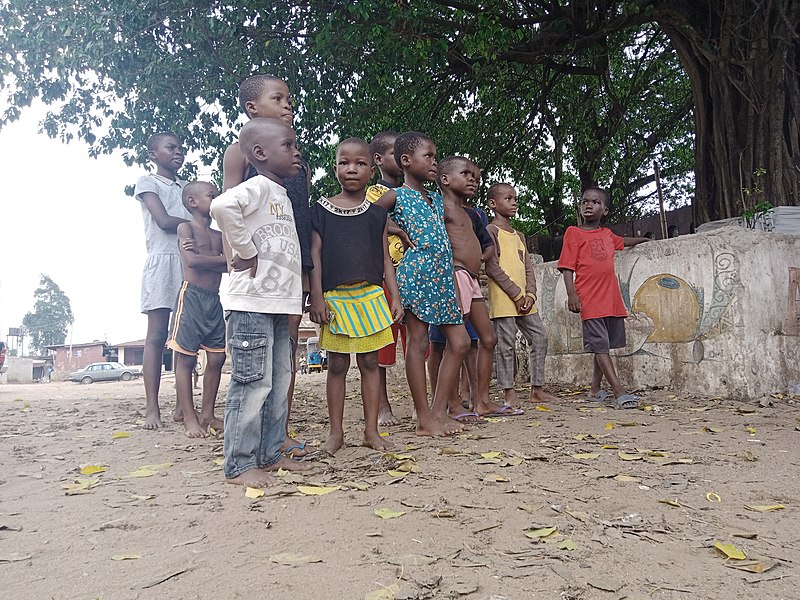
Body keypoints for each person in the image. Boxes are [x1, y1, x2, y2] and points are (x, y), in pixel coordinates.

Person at [210, 117, 311, 489]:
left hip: (277, 306)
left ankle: (270, 455)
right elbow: (221, 207)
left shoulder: (281, 193)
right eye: (288, 145)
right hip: (251, 303)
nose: (296, 151)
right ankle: (238, 464)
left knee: (279, 379)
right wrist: (246, 251)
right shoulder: (255, 187)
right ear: (259, 153)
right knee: (252, 383)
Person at [309, 138, 404, 454]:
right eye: (344, 162)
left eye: (360, 163)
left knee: (370, 363)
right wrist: (318, 298)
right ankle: (336, 434)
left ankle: (370, 431)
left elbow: (385, 259)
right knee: (336, 365)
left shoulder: (377, 215)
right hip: (336, 298)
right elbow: (316, 256)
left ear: (372, 167)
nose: (351, 169)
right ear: (335, 167)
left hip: (371, 298)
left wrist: (395, 297)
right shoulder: (320, 210)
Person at [376, 132, 469, 437]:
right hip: (414, 277)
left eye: (434, 156)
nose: (434, 162)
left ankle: (438, 411)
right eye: (428, 156)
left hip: (442, 279)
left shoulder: (436, 200)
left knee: (461, 342)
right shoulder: (397, 196)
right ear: (406, 161)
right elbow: (367, 219)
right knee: (417, 344)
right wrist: (395, 230)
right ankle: (424, 418)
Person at [557, 187, 650, 409]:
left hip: (610, 298)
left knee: (604, 345)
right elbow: (567, 267)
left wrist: (644, 240)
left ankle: (595, 389)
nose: (588, 205)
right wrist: (572, 293)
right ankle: (619, 391)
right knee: (600, 346)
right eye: (585, 202)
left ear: (605, 210)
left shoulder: (607, 235)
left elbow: (623, 241)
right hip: (589, 298)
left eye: (595, 202)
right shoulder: (573, 232)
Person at [437, 156, 515, 419]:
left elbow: (486, 245)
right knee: (456, 343)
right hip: (454, 277)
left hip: (471, 279)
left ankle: (481, 401)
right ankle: (452, 404)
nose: (473, 179)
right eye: (466, 173)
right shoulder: (438, 208)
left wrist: (479, 258)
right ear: (445, 179)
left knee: (488, 338)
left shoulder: (472, 214)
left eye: (477, 177)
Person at [134, 132, 190, 429]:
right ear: (153, 154)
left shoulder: (186, 187)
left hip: (189, 264)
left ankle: (183, 406)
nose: (178, 152)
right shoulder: (147, 183)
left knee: (185, 337)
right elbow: (164, 221)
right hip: (162, 261)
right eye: (171, 148)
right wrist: (199, 227)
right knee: (157, 335)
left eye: (181, 148)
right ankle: (152, 408)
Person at [485, 182, 559, 405]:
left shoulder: (519, 235)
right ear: (492, 204)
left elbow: (528, 267)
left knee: (540, 337)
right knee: (506, 345)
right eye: (508, 198)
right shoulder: (490, 231)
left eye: (515, 198)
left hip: (526, 300)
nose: (514, 202)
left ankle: (537, 389)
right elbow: (492, 267)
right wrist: (516, 294)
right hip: (504, 299)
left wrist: (531, 294)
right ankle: (509, 393)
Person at [168, 181, 228, 438]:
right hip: (191, 296)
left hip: (213, 299)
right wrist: (222, 261)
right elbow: (191, 261)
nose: (217, 199)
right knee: (186, 358)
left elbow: (232, 266)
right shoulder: (185, 228)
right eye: (212, 195)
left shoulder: (220, 235)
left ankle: (208, 414)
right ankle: (189, 417)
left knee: (217, 357)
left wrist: (214, 262)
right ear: (193, 202)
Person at [366, 131, 405, 427]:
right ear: (379, 160)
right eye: (395, 152)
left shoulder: (413, 192)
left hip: (415, 278)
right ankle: (383, 405)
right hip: (384, 277)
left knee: (419, 340)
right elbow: (372, 220)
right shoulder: (372, 194)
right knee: (382, 343)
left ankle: (423, 403)